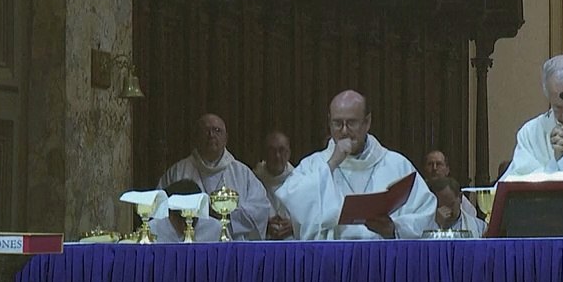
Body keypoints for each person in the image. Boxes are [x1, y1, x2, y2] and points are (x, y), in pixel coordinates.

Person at [276, 90, 436, 239]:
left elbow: (425, 212)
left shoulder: (397, 165)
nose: (344, 131)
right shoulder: (313, 165)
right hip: (333, 260)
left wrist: (394, 228)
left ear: (367, 122)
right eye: (337, 123)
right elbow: (293, 200)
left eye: (351, 123)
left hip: (384, 259)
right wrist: (332, 163)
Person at [157, 113, 270, 241]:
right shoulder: (178, 171)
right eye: (205, 131)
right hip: (188, 246)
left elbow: (260, 209)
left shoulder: (242, 173)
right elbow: (160, 208)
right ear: (196, 137)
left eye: (217, 130)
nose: (211, 135)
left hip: (233, 246)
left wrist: (226, 216)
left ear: (226, 138)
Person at [150, 179, 222, 243]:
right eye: (180, 218)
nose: (185, 225)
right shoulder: (153, 228)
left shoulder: (215, 228)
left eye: (192, 218)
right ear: (169, 213)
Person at [253, 130, 295, 240]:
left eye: (282, 150)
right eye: (272, 151)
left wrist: (294, 226)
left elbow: (310, 216)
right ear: (264, 154)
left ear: (289, 153)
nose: (277, 156)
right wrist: (265, 225)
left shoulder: (299, 179)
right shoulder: (253, 180)